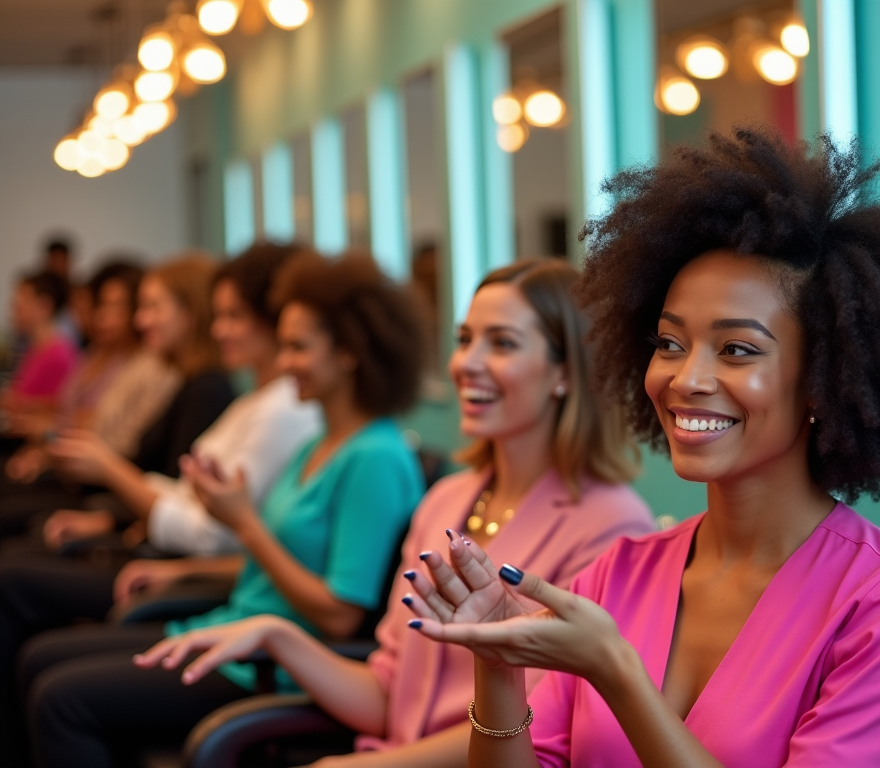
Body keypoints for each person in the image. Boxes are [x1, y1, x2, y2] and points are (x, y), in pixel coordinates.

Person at [404, 128, 880, 768]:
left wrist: (617, 672)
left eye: (737, 350)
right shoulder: (615, 576)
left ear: (826, 378)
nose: (685, 379)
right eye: (670, 344)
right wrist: (498, 664)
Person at [136, 258, 655, 766]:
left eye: (502, 343)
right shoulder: (447, 500)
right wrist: (279, 634)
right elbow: (388, 695)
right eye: (465, 339)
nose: (467, 363)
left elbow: (539, 729)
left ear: (564, 373)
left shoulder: (610, 526)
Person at [17, 252, 426, 768]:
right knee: (41, 659)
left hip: (272, 666)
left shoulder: (375, 459)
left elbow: (339, 614)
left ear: (349, 352)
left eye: (298, 348)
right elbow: (272, 562)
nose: (283, 363)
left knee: (61, 698)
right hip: (233, 628)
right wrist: (184, 570)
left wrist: (245, 524)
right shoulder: (321, 442)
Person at [39, 243, 323, 553]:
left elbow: (214, 536)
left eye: (234, 316)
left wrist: (110, 470)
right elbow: (185, 496)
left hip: (177, 559)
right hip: (164, 548)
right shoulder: (253, 402)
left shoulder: (277, 409)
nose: (218, 329)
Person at [4, 262, 146, 486]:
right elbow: (66, 411)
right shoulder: (94, 353)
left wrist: (45, 437)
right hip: (64, 458)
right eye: (101, 306)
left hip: (84, 472)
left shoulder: (135, 366)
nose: (100, 317)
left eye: (115, 307)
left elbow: (95, 426)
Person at [1, 271, 77, 422]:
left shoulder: (59, 356)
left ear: (45, 306)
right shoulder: (36, 348)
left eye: (23, 301)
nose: (16, 309)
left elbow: (57, 411)